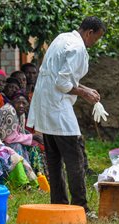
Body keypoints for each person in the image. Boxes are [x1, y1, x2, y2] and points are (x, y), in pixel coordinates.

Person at [27, 16, 106, 212]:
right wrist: (84, 92)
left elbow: (60, 77)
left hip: (46, 105)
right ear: (89, 33)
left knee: (54, 159)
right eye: (95, 39)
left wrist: (85, 87)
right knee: (75, 158)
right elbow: (63, 84)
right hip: (57, 109)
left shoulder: (62, 38)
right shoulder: (78, 48)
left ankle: (58, 204)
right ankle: (81, 206)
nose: (93, 44)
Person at [0, 90, 46, 175]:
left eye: (24, 103)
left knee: (33, 147)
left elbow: (19, 132)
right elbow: (9, 138)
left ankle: (38, 175)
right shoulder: (10, 111)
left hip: (10, 140)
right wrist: (32, 137)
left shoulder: (21, 113)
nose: (21, 105)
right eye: (18, 102)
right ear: (12, 102)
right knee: (17, 146)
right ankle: (23, 177)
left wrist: (32, 139)